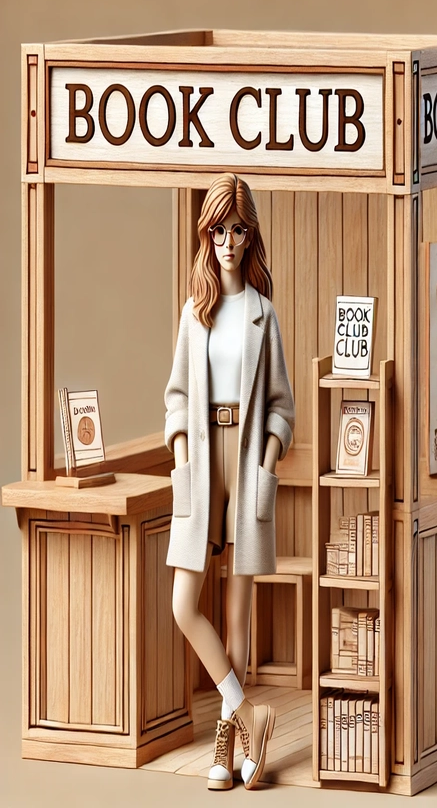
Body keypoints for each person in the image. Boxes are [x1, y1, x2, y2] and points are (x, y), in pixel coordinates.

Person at [164, 173, 295, 790]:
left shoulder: (263, 315)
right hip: (203, 458)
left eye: (238, 229)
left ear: (251, 237)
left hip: (245, 461)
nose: (228, 240)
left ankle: (229, 747)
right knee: (184, 605)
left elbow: (281, 407)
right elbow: (177, 397)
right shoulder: (196, 313)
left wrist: (267, 463)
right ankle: (250, 715)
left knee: (238, 615)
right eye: (218, 229)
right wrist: (186, 460)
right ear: (206, 234)